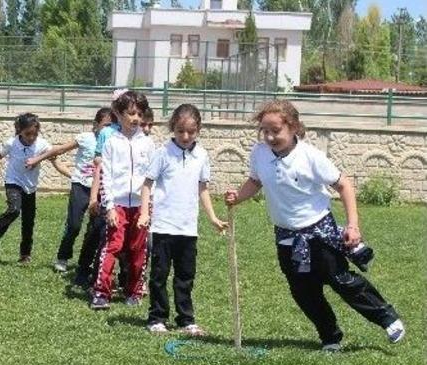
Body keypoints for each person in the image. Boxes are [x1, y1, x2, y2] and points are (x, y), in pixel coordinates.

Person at [224, 100, 405, 351]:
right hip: (286, 236)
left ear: (293, 127)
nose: (270, 137)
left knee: (340, 280)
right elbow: (255, 181)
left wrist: (353, 225)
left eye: (275, 130)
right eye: (265, 131)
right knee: (303, 291)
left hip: (319, 232)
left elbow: (344, 185)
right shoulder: (260, 153)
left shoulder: (310, 157)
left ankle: (387, 318)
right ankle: (330, 337)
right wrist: (238, 196)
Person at [138, 104, 227, 335]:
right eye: (180, 131)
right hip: (163, 226)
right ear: (173, 128)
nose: (185, 136)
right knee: (159, 275)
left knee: (185, 276)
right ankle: (157, 318)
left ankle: (186, 319)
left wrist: (213, 217)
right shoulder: (163, 153)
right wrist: (145, 213)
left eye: (191, 131)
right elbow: (147, 184)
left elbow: (202, 188)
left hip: (188, 229)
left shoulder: (202, 155)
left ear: (198, 130)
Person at [90, 90, 155, 310]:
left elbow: (152, 178)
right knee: (112, 246)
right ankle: (101, 293)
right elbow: (106, 176)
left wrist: (148, 207)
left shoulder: (148, 144)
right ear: (118, 114)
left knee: (138, 249)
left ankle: (134, 291)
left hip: (140, 205)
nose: (136, 118)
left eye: (140, 114)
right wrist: (109, 206)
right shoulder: (111, 142)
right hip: (117, 204)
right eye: (131, 113)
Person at [26, 108, 110, 274]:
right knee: (74, 225)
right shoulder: (85, 138)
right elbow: (60, 150)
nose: (109, 129)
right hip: (81, 186)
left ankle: (86, 263)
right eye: (106, 125)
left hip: (101, 189)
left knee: (94, 229)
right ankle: (63, 257)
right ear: (96, 124)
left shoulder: (114, 142)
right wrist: (37, 159)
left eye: (112, 126)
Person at [0, 113, 54, 264]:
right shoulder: (12, 143)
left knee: (28, 221)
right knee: (14, 209)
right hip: (13, 182)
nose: (31, 137)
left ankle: (25, 254)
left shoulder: (42, 144)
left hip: (30, 186)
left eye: (34, 134)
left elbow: (54, 153)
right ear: (20, 130)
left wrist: (64, 169)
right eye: (27, 134)